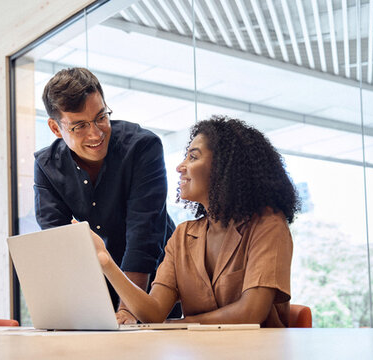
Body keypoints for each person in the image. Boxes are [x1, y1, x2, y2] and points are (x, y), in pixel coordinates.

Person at [89, 116, 299, 326]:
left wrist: (182, 323)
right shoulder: (182, 236)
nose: (181, 166)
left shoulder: (268, 224)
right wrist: (106, 263)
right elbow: (153, 313)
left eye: (193, 157)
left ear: (223, 166)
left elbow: (251, 312)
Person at [34, 67, 178, 322]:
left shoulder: (142, 148)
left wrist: (128, 308)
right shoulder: (47, 166)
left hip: (154, 289)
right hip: (97, 291)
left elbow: (143, 235)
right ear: (56, 129)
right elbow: (59, 241)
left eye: (101, 117)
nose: (96, 133)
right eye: (79, 126)